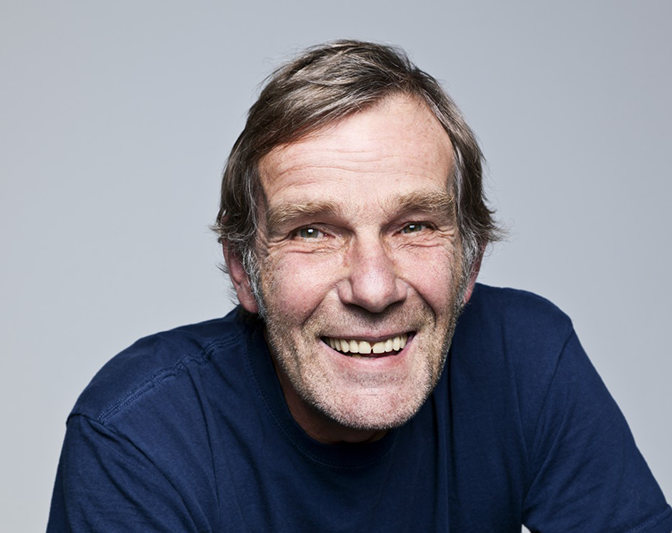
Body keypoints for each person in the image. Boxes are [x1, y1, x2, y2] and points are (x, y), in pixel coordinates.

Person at [48, 40, 671, 531]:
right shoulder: (140, 436)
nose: (374, 289)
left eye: (415, 225)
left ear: (470, 260)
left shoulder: (527, 360)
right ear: (244, 269)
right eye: (313, 232)